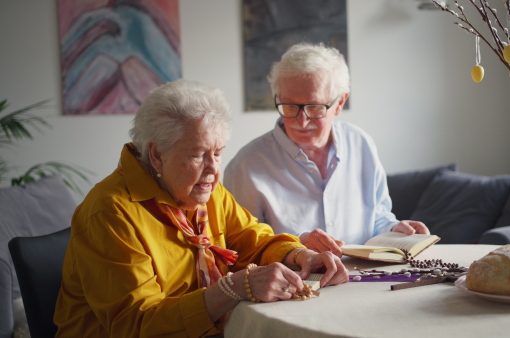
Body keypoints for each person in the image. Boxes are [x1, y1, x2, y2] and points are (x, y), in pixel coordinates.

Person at [54, 79, 348, 336]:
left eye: (218, 153)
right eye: (198, 155)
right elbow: (136, 326)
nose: (213, 171)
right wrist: (233, 287)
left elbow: (250, 236)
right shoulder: (111, 213)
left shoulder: (205, 190)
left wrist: (299, 255)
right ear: (157, 155)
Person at [224, 43, 429, 257]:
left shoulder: (361, 144)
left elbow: (377, 216)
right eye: (289, 106)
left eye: (314, 107)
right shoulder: (245, 167)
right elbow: (241, 250)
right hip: (295, 287)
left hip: (366, 279)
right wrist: (294, 245)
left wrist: (394, 230)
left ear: (340, 102)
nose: (301, 121)